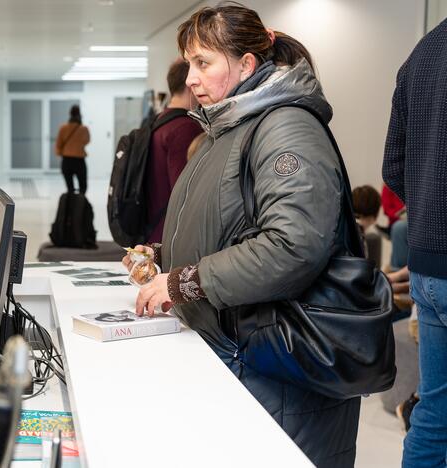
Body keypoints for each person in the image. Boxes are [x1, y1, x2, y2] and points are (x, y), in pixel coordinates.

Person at [123, 3, 360, 466]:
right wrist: (159, 255)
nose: (190, 78)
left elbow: (294, 246)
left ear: (247, 64)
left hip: (279, 369)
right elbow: (229, 223)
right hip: (243, 351)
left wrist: (182, 281)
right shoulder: (230, 126)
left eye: (203, 63)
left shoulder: (286, 127)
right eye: (189, 64)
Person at [383, 16, 447, 468]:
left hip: (429, 265)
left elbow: (394, 166)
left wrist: (428, 209)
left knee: (434, 415)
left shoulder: (423, 53)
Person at [144, 59, 203, 243]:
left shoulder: (159, 120)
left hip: (152, 223)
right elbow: (183, 187)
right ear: (188, 86)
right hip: (169, 231)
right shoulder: (185, 128)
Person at [54, 105, 90, 194]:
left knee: (70, 188)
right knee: (83, 187)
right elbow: (87, 141)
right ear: (79, 114)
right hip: (79, 161)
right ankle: (80, 205)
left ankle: (70, 205)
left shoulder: (63, 128)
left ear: (70, 114)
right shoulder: (84, 129)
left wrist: (61, 152)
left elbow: (58, 144)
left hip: (67, 160)